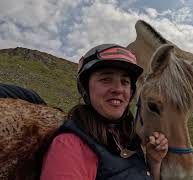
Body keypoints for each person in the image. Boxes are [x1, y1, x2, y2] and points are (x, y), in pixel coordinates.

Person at [40, 44, 168, 180]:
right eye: (106, 79)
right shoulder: (69, 147)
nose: (118, 89)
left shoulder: (129, 138)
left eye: (125, 82)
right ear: (85, 88)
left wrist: (154, 163)